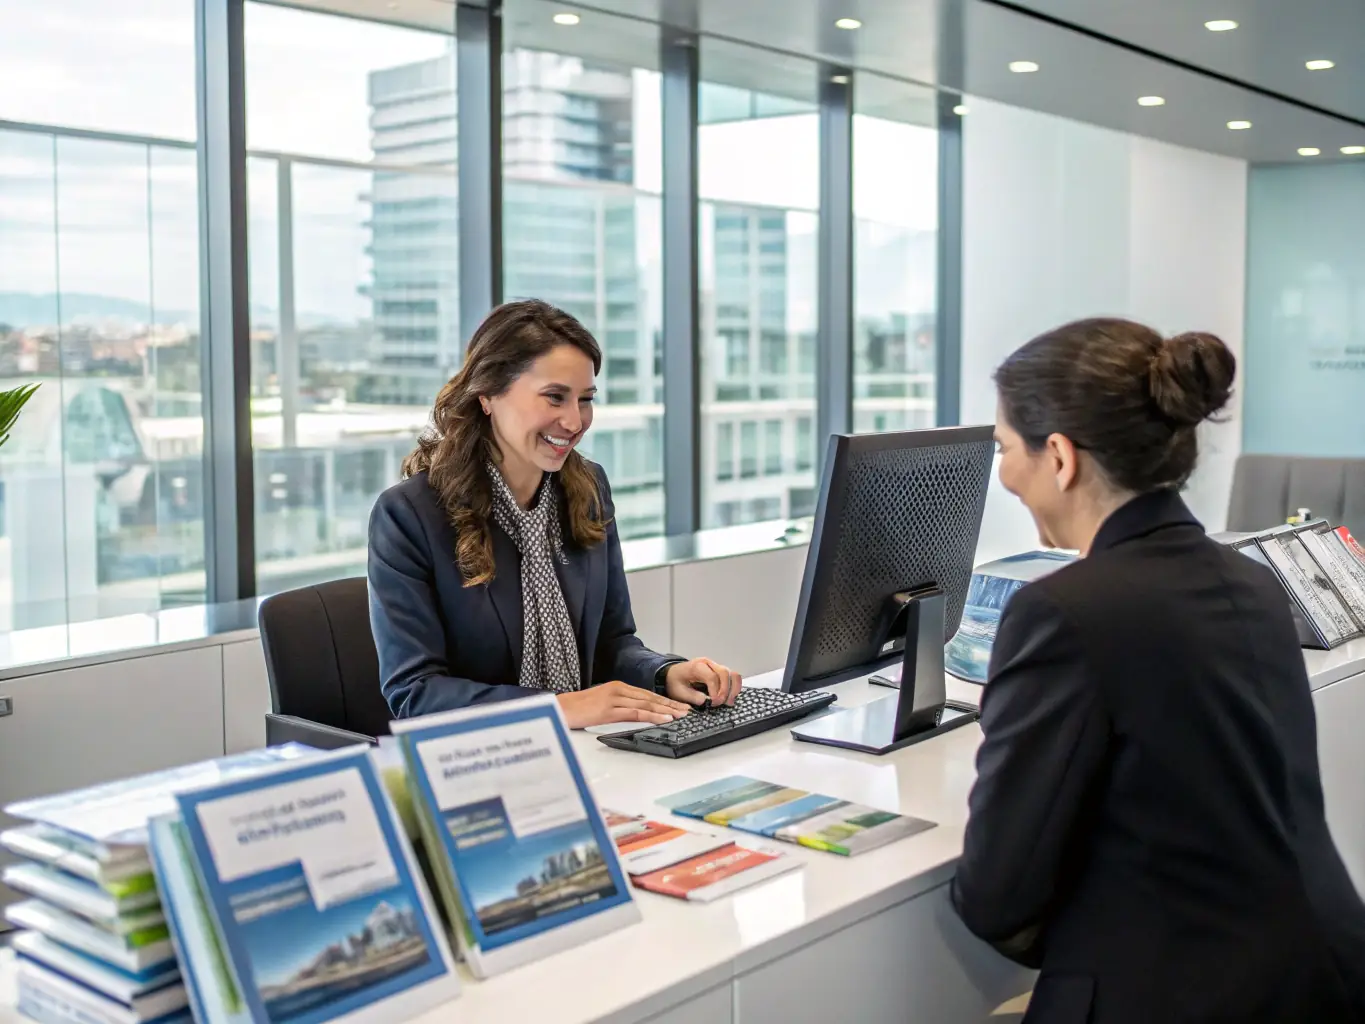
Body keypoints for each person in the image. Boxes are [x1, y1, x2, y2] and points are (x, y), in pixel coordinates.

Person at [951, 318, 1365, 1023]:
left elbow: (999, 890)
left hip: (1180, 997)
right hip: (1324, 971)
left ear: (1058, 456)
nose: (1004, 475)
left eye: (1002, 448)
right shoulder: (1250, 581)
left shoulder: (1062, 611)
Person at [368, 299, 743, 729]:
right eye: (554, 398)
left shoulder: (588, 490)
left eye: (585, 399)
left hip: (585, 748)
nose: (574, 420)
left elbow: (610, 644)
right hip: (479, 763)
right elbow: (416, 693)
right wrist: (558, 707)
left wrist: (664, 673)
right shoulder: (409, 516)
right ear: (488, 395)